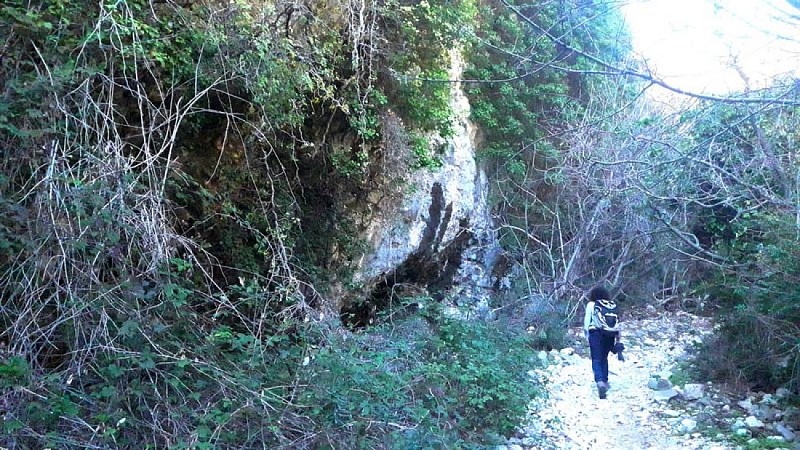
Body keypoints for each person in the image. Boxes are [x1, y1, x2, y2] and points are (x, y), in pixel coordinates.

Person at [583, 286, 621, 399]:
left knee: (596, 358)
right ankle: (605, 380)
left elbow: (587, 321)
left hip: (596, 333)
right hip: (609, 334)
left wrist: (587, 335)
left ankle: (600, 382)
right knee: (604, 357)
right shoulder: (610, 305)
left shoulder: (591, 305)